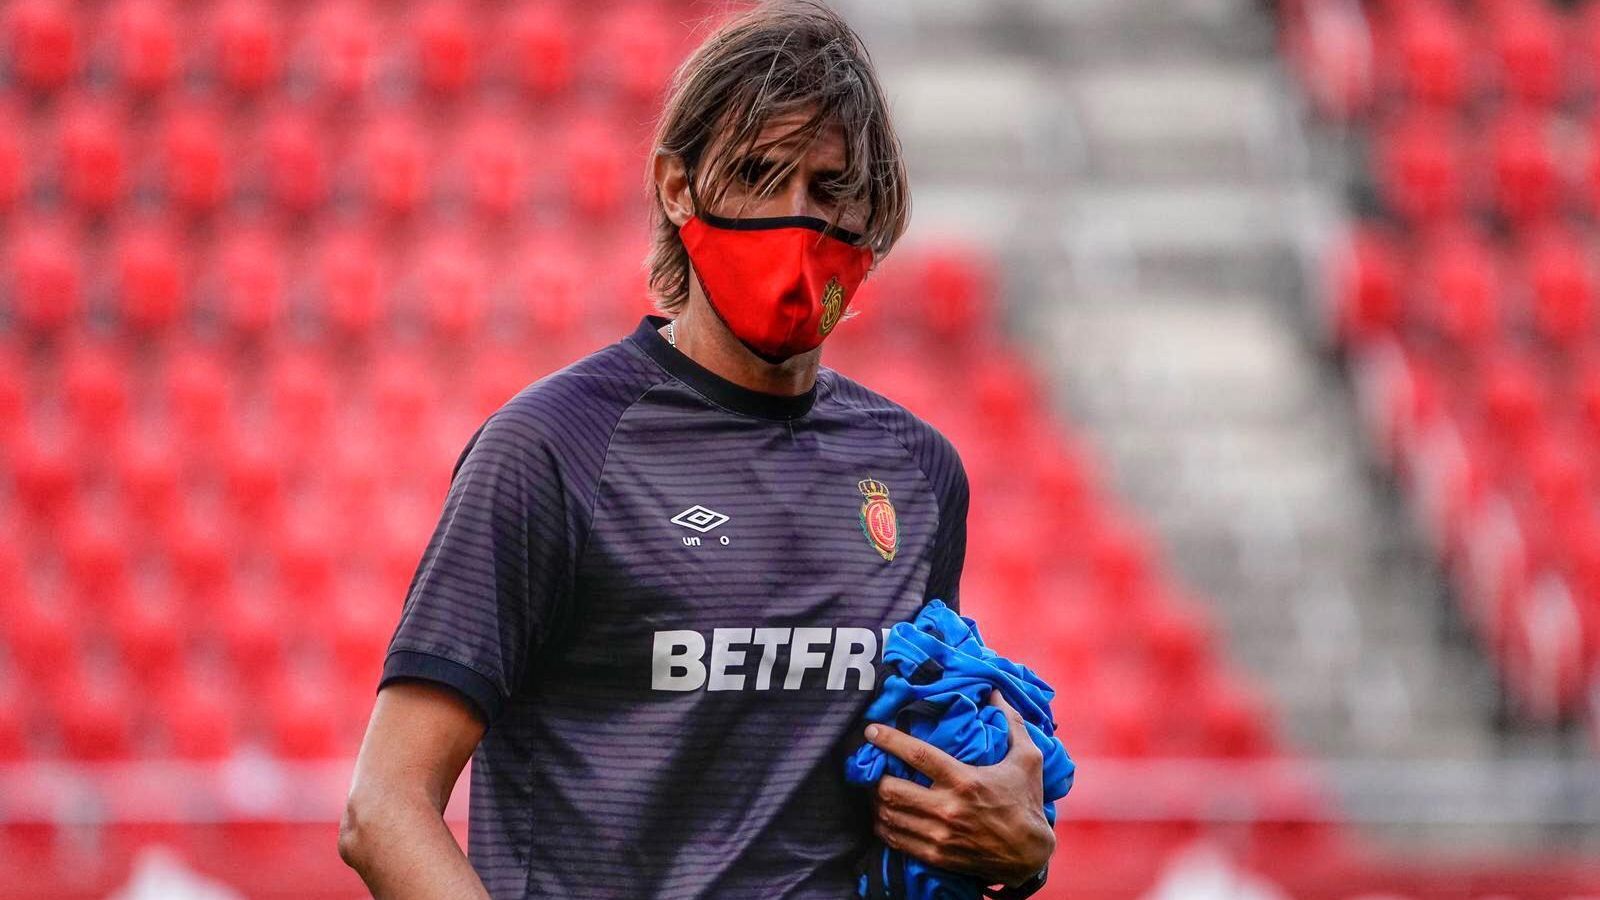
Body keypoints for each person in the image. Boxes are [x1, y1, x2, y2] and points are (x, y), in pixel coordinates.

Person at [337, 2, 1056, 897]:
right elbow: (384, 808)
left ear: (875, 214)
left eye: (831, 192)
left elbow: (911, 787)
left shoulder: (918, 474)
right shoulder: (553, 448)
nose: (797, 225)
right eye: (758, 175)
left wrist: (1014, 853)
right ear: (678, 187)